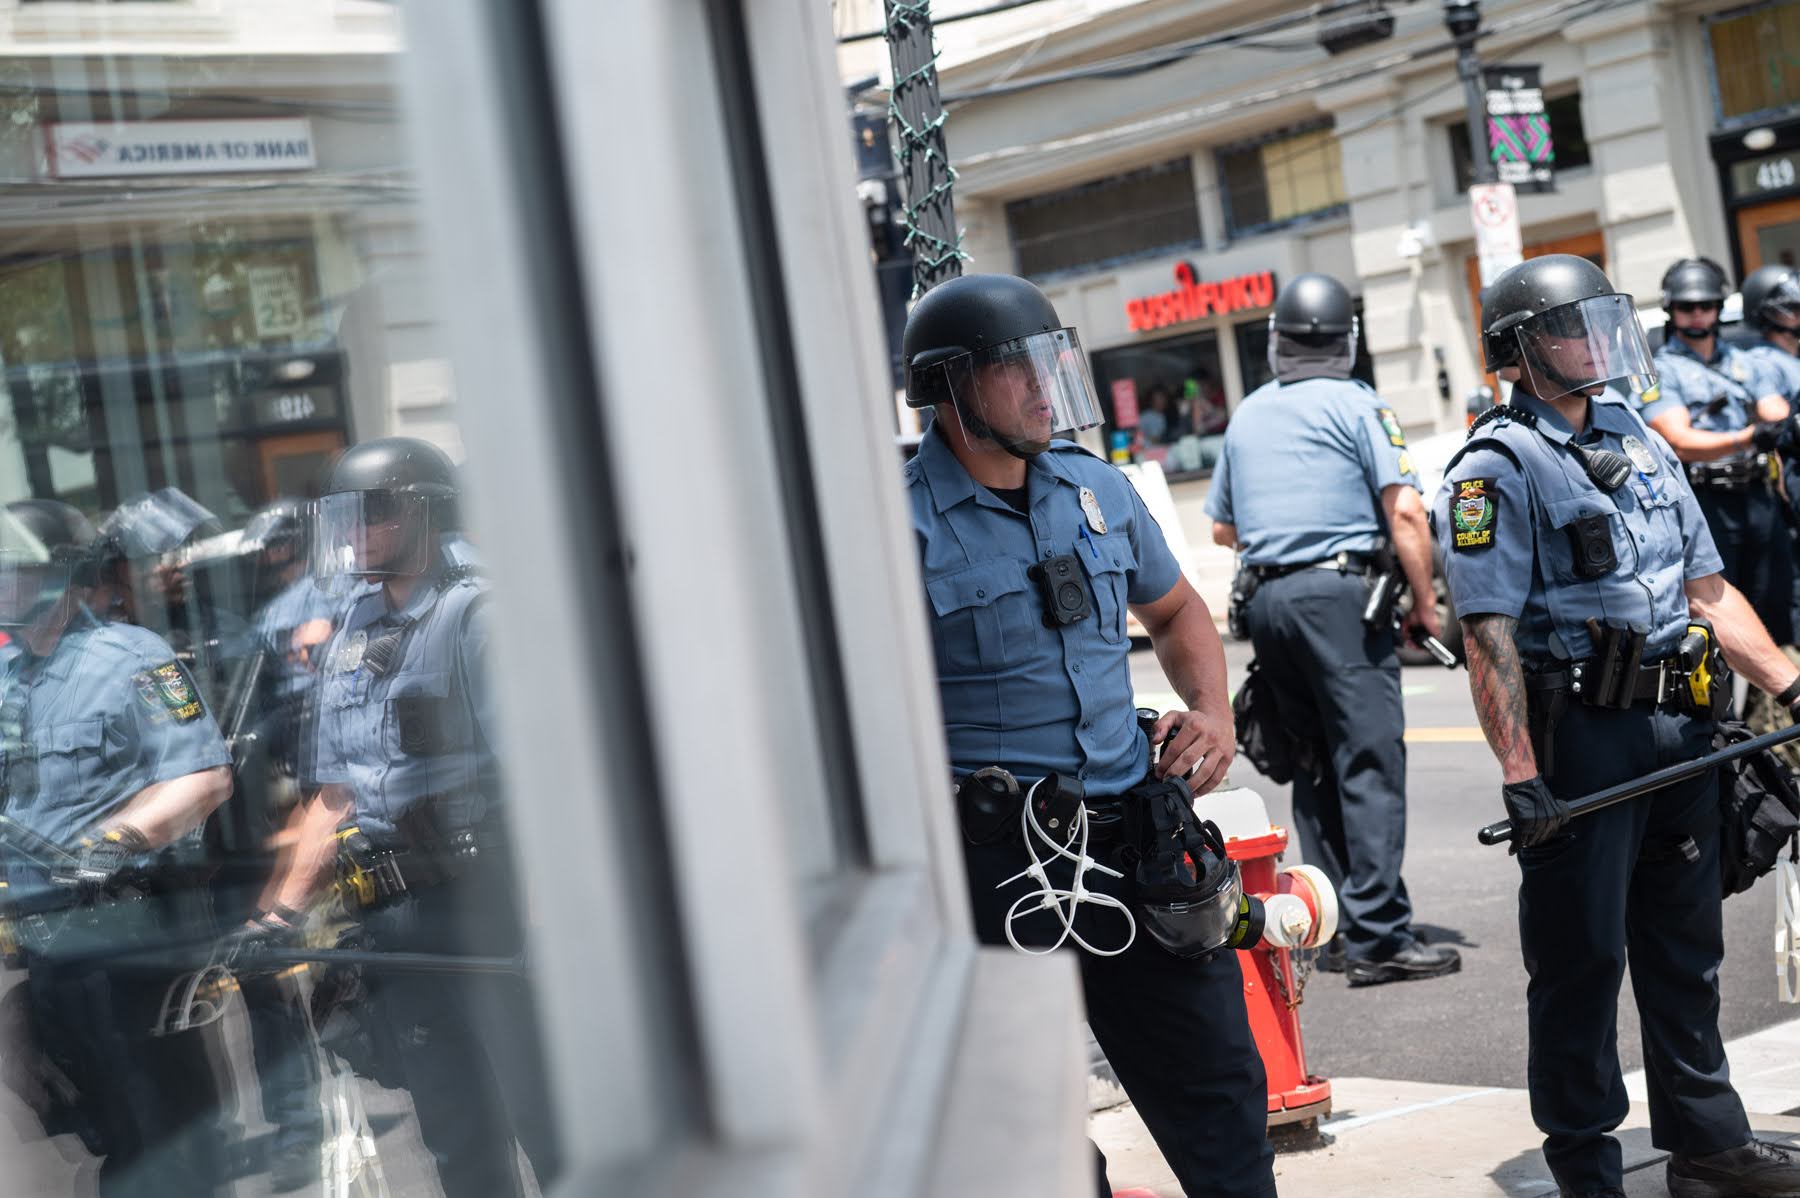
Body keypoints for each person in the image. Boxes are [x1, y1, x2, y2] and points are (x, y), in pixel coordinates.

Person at [900, 273, 1275, 1198]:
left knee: (1220, 1084)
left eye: (1049, 363)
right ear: (951, 389)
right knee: (1030, 1127)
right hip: (992, 865)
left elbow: (1180, 610)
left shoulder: (1095, 489)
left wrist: (1213, 712)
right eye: (1015, 370)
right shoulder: (892, 525)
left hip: (1132, 842)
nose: (1044, 388)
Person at [1439, 253, 1800, 1198]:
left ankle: (1708, 1145)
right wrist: (1521, 773)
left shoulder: (1638, 436)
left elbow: (1707, 589)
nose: (1596, 340)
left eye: (1603, 320)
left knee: (1687, 949)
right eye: (1571, 326)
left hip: (1680, 728)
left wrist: (1793, 686)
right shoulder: (1493, 467)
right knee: (1580, 962)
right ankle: (1588, 1168)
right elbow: (1487, 632)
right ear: (1518, 352)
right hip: (1583, 741)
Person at [283, 437, 558, 1197]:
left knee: (549, 1123)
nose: (356, 532)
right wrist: (280, 913)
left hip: (484, 904)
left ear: (425, 513)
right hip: (396, 917)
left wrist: (541, 925)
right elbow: (335, 793)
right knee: (455, 1139)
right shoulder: (353, 630)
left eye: (375, 511)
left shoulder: (476, 614)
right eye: (345, 516)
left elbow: (541, 781)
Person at [1204, 272, 1460, 987]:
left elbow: (1224, 526)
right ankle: (1380, 935)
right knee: (1369, 761)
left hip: (1266, 602)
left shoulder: (1249, 413)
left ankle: (1333, 926)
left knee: (1313, 760)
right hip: (1341, 599)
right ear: (1346, 340)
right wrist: (1425, 602)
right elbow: (1406, 512)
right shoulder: (1360, 404)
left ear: (1276, 339)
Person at [0, 498, 234, 1196]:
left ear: (59, 574)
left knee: (165, 1137)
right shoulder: (9, 680)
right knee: (96, 1130)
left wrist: (119, 838)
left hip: (129, 942)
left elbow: (204, 775)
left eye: (12, 570)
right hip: (47, 949)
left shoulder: (136, 659)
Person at [1642, 257, 1794, 644]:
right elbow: (1679, 440)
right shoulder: (1660, 371)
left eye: (1705, 305)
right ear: (1670, 309)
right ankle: (1720, 708)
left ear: (1718, 307)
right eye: (1686, 307)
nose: (1697, 314)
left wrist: (1782, 424)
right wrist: (1747, 438)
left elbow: (1774, 410)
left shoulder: (1745, 361)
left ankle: (1769, 704)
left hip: (1759, 498)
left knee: (1776, 613)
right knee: (1715, 623)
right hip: (1706, 504)